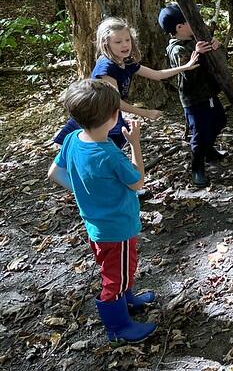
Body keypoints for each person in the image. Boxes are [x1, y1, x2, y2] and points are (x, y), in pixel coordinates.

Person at [47, 79, 157, 344]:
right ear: (114, 116)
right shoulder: (109, 153)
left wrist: (87, 192)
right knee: (113, 278)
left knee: (120, 269)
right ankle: (118, 328)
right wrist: (135, 144)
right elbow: (138, 182)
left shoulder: (73, 139)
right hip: (116, 228)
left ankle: (127, 298)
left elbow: (54, 173)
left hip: (95, 226)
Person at [53, 17, 200, 149]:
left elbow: (157, 75)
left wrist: (185, 67)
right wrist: (145, 113)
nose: (125, 45)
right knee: (82, 148)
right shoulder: (107, 67)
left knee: (107, 149)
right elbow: (115, 101)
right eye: (118, 42)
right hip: (93, 116)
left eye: (127, 40)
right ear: (106, 44)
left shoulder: (126, 62)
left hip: (107, 114)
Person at [158, 4, 226, 188]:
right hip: (194, 100)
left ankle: (208, 149)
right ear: (179, 27)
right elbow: (189, 73)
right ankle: (197, 167)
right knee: (200, 133)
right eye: (188, 21)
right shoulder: (176, 49)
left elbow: (218, 59)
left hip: (209, 93)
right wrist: (199, 54)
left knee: (219, 121)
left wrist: (215, 47)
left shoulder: (194, 39)